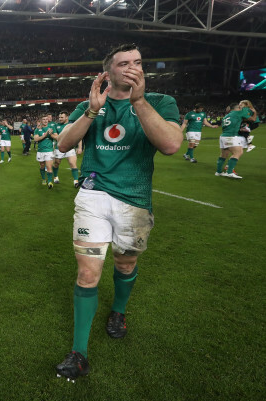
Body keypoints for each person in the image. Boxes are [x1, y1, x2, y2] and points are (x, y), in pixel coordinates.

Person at [55, 44, 182, 381]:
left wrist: (139, 102)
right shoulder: (89, 105)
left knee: (125, 263)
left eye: (138, 62)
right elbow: (63, 145)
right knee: (87, 274)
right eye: (123, 63)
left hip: (133, 201)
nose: (132, 68)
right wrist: (91, 112)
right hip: (93, 196)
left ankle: (118, 312)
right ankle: (78, 353)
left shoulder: (160, 103)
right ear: (107, 72)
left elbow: (171, 145)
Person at [215, 102, 256, 179]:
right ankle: (229, 172)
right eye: (240, 107)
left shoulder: (227, 116)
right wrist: (254, 112)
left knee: (224, 155)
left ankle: (218, 172)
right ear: (237, 108)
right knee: (238, 152)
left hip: (223, 136)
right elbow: (253, 119)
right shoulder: (239, 113)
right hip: (230, 136)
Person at [51, 111, 82, 187]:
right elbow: (55, 136)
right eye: (59, 117)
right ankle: (55, 176)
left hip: (70, 148)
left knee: (72, 163)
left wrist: (80, 147)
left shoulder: (72, 125)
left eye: (62, 117)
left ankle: (76, 181)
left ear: (67, 117)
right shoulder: (56, 125)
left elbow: (79, 136)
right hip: (59, 148)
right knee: (56, 164)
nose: (60, 119)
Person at [33, 115, 56, 189]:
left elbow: (57, 137)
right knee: (42, 166)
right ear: (41, 120)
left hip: (49, 151)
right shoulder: (37, 129)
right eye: (43, 119)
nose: (45, 120)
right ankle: (43, 179)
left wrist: (51, 134)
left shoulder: (51, 128)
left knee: (49, 167)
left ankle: (49, 182)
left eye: (46, 119)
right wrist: (46, 135)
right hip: (40, 151)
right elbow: (36, 139)